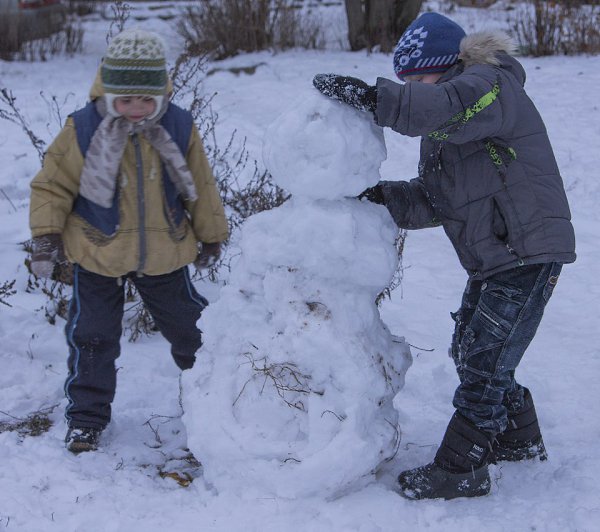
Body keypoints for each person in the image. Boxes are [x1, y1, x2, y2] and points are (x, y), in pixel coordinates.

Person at [313, 12, 575, 500]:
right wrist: (378, 197)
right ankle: (517, 437)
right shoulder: (448, 126)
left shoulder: (488, 87)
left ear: (447, 65)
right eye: (404, 81)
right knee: (473, 351)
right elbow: (438, 198)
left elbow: (444, 105)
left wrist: (375, 100)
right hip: (496, 255)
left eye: (417, 78)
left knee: (484, 360)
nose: (411, 87)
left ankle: (460, 470)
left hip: (528, 248)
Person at [29, 28, 229, 454]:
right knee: (93, 337)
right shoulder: (83, 128)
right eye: (126, 100)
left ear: (160, 93)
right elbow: (52, 186)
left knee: (193, 331)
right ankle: (86, 419)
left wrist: (211, 236)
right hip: (97, 252)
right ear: (108, 91)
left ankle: (217, 405)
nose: (136, 110)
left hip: (166, 251)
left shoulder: (177, 125)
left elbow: (201, 184)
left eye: (146, 100)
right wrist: (46, 237)